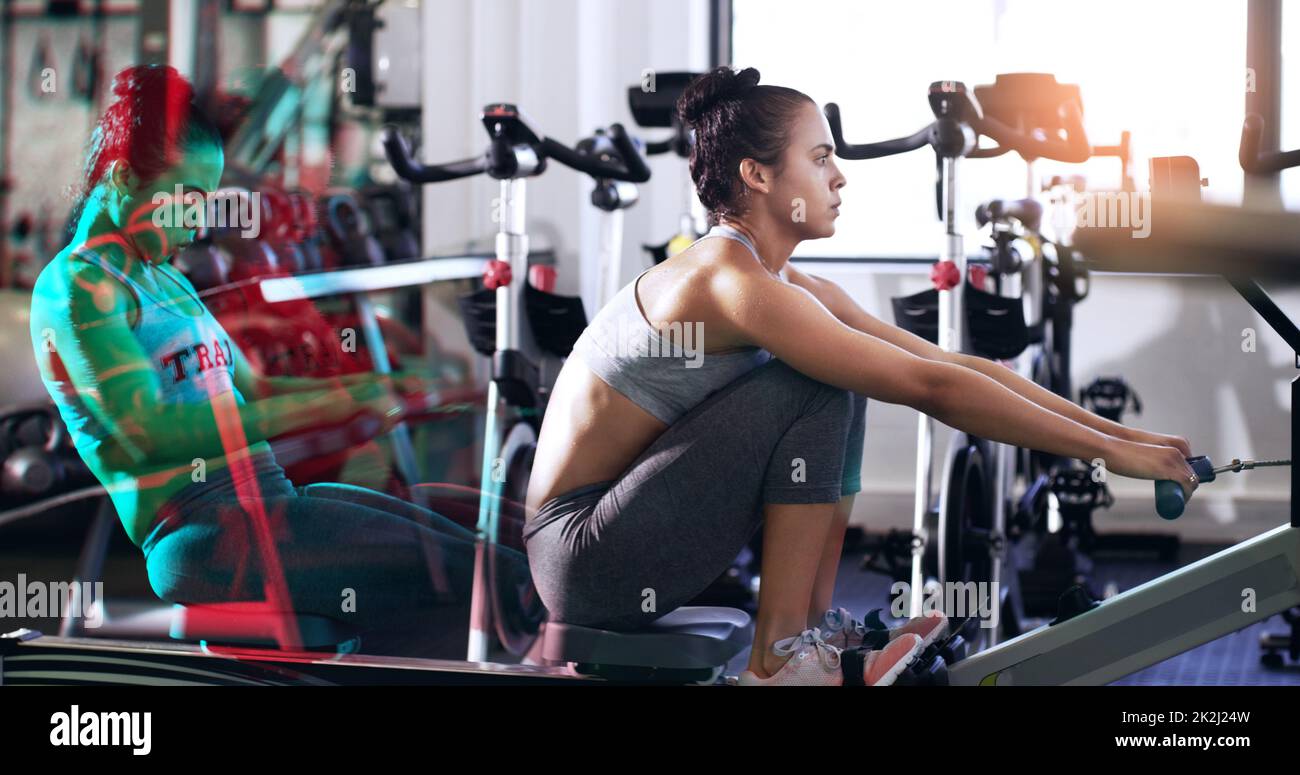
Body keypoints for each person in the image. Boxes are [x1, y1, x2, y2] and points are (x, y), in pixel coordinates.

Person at [523, 66, 1198, 686]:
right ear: (758, 176)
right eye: (819, 159)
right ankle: (781, 661)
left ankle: (808, 635)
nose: (839, 176)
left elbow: (943, 364)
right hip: (584, 557)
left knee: (836, 372)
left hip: (615, 535)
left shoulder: (780, 281)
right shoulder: (729, 281)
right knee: (812, 381)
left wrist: (1128, 438)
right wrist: (1109, 454)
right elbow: (931, 390)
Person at [29, 64, 519, 659]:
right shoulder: (78, 288)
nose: (198, 219)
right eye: (186, 199)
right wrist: (332, 403)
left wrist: (383, 386)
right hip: (203, 532)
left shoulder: (169, 283)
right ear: (124, 177)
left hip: (273, 501)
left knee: (494, 551)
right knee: (481, 582)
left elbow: (255, 392)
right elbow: (150, 435)